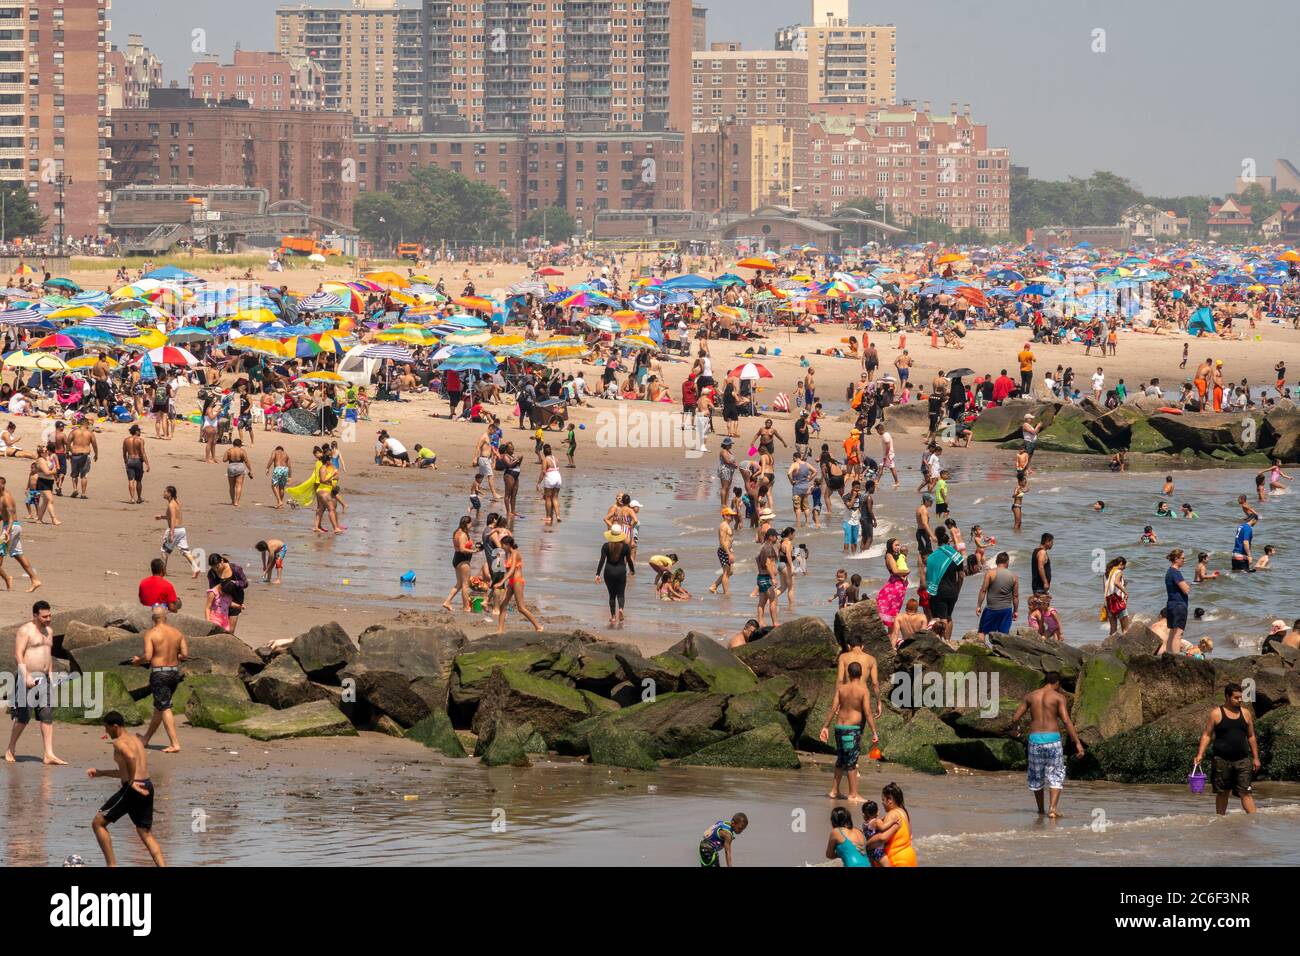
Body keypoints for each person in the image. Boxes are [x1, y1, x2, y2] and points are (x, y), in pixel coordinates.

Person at [88, 711, 165, 867]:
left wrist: (130, 782)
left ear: (115, 726)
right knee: (145, 832)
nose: (106, 732)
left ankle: (112, 865)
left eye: (106, 728)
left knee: (98, 823)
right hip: (147, 785)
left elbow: (131, 759)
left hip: (133, 790)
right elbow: (127, 771)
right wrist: (101, 773)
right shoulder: (136, 740)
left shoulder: (119, 742)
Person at [1011, 672, 1084, 819]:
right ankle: (1052, 809)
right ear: (1057, 683)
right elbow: (1066, 721)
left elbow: (1015, 717)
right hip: (1053, 741)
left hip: (1035, 741)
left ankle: (1040, 810)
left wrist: (1015, 731)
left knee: (1036, 776)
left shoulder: (1031, 696)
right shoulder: (1058, 697)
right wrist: (1077, 742)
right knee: (1056, 775)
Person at [4, 600, 63, 764]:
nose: (48, 619)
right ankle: (10, 748)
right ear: (35, 615)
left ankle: (49, 754)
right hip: (27, 676)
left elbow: (47, 653)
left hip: (44, 678)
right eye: (45, 616)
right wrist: (26, 676)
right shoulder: (25, 630)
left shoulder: (49, 631)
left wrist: (51, 674)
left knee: (47, 715)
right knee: (23, 717)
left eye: (50, 615)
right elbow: (18, 654)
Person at [1193, 683, 1260, 816]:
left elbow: (1251, 736)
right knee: (1223, 793)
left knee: (1246, 792)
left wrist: (1256, 758)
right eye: (1236, 697)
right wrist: (1200, 754)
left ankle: (1254, 822)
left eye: (1241, 697)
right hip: (1221, 761)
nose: (1240, 700)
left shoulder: (1246, 714)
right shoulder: (1216, 714)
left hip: (1243, 760)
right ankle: (1220, 822)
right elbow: (1207, 735)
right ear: (1227, 697)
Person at [130, 606, 188, 753]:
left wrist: (138, 660)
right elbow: (184, 655)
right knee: (159, 707)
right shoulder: (177, 633)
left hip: (160, 674)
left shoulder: (151, 634)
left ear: (152, 619)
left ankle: (175, 744)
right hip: (174, 673)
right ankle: (146, 738)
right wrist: (174, 657)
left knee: (165, 707)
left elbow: (148, 657)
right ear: (165, 618)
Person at [819, 662, 877, 802]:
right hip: (852, 730)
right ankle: (853, 794)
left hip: (839, 728)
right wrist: (874, 731)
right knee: (851, 762)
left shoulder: (841, 688)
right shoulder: (863, 691)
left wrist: (825, 726)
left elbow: (833, 709)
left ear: (849, 674)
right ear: (861, 673)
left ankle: (834, 791)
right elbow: (868, 712)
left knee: (841, 759)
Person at [924, 526, 966, 642]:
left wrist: (929, 591)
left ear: (938, 541)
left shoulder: (932, 557)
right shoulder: (957, 556)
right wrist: (958, 590)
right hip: (953, 591)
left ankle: (943, 642)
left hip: (938, 591)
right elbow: (961, 576)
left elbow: (929, 575)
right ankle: (948, 641)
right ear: (948, 542)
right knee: (948, 617)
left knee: (942, 618)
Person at [494, 535, 542, 633]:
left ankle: (538, 626)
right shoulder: (507, 554)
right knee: (503, 605)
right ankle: (500, 630)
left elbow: (511, 570)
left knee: (520, 607)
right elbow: (499, 567)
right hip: (511, 582)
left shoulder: (515, 553)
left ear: (507, 545)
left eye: (502, 545)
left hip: (517, 581)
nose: (501, 548)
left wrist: (501, 582)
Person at [0, 476, 39, 592]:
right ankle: (35, 579)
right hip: (10, 527)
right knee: (18, 555)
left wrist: (6, 532)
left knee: (1, 553)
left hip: (11, 527)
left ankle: (7, 578)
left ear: (3, 485)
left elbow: (11, 517)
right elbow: (3, 515)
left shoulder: (6, 498)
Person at [864, 782, 917, 867]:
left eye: (883, 800)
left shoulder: (892, 814)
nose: (882, 803)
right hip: (909, 856)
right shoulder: (903, 812)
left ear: (889, 800)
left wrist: (867, 844)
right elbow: (910, 836)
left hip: (898, 859)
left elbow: (882, 838)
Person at [595, 524, 636, 628]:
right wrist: (632, 570)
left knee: (612, 595)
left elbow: (602, 560)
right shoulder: (625, 547)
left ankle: (613, 617)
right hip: (621, 571)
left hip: (608, 572)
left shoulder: (606, 546)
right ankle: (621, 609)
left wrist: (597, 574)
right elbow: (629, 560)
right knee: (621, 593)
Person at [155, 486, 199, 577]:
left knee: (164, 551)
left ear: (169, 494)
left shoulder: (171, 504)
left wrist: (171, 533)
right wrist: (162, 517)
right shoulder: (177, 502)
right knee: (185, 551)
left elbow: (173, 519)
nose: (163, 493)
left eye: (165, 492)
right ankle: (196, 568)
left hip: (174, 530)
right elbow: (173, 516)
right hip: (182, 529)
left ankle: (163, 572)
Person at [975, 552, 1018, 639]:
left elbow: (983, 590)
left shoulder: (990, 573)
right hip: (1006, 610)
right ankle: (1001, 651)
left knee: (982, 632)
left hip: (992, 609)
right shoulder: (1014, 577)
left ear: (996, 561)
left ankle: (981, 649)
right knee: (1004, 635)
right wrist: (1015, 611)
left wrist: (979, 606)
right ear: (1007, 562)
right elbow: (1015, 596)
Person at [67, 417, 98, 499]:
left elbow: (68, 442)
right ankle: (83, 493)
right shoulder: (90, 433)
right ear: (86, 424)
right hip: (85, 455)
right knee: (84, 475)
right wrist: (96, 454)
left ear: (80, 424)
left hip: (75, 455)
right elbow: (94, 444)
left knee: (74, 474)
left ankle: (75, 489)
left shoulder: (74, 432)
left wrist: (69, 451)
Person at [755, 528, 780, 628]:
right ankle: (775, 622)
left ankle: (761, 622)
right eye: (775, 536)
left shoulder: (762, 547)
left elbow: (757, 560)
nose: (777, 538)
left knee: (762, 602)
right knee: (773, 600)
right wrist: (773, 577)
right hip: (767, 577)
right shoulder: (768, 548)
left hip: (761, 577)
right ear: (770, 537)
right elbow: (768, 564)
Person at [122, 424, 149, 504]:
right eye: (139, 431)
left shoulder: (126, 440)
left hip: (130, 460)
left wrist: (125, 461)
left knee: (131, 480)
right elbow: (142, 453)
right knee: (139, 481)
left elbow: (124, 453)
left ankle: (132, 498)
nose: (140, 432)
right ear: (136, 431)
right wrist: (147, 464)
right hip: (138, 461)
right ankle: (139, 498)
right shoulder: (140, 440)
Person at [1102, 557, 1130, 635]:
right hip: (1118, 602)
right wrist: (1126, 592)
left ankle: (1111, 645)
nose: (1125, 568)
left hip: (1109, 602)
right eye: (1124, 566)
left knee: (1113, 629)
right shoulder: (1119, 571)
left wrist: (1123, 584)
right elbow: (1116, 583)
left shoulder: (1106, 574)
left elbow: (1105, 588)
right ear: (1121, 563)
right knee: (1125, 628)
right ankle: (1125, 646)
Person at [223, 438, 250, 507]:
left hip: (231, 466)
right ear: (240, 444)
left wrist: (229, 457)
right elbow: (246, 461)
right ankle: (237, 502)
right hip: (240, 466)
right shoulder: (242, 451)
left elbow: (224, 460)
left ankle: (232, 501)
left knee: (231, 486)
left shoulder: (229, 450)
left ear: (233, 444)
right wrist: (250, 470)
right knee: (239, 485)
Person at [265, 445, 291, 509]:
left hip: (278, 469)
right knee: (282, 487)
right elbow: (289, 466)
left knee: (273, 485)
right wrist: (290, 476)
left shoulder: (275, 452)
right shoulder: (286, 454)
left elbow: (272, 458)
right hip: (285, 469)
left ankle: (279, 501)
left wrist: (267, 468)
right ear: (282, 450)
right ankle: (280, 504)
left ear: (277, 449)